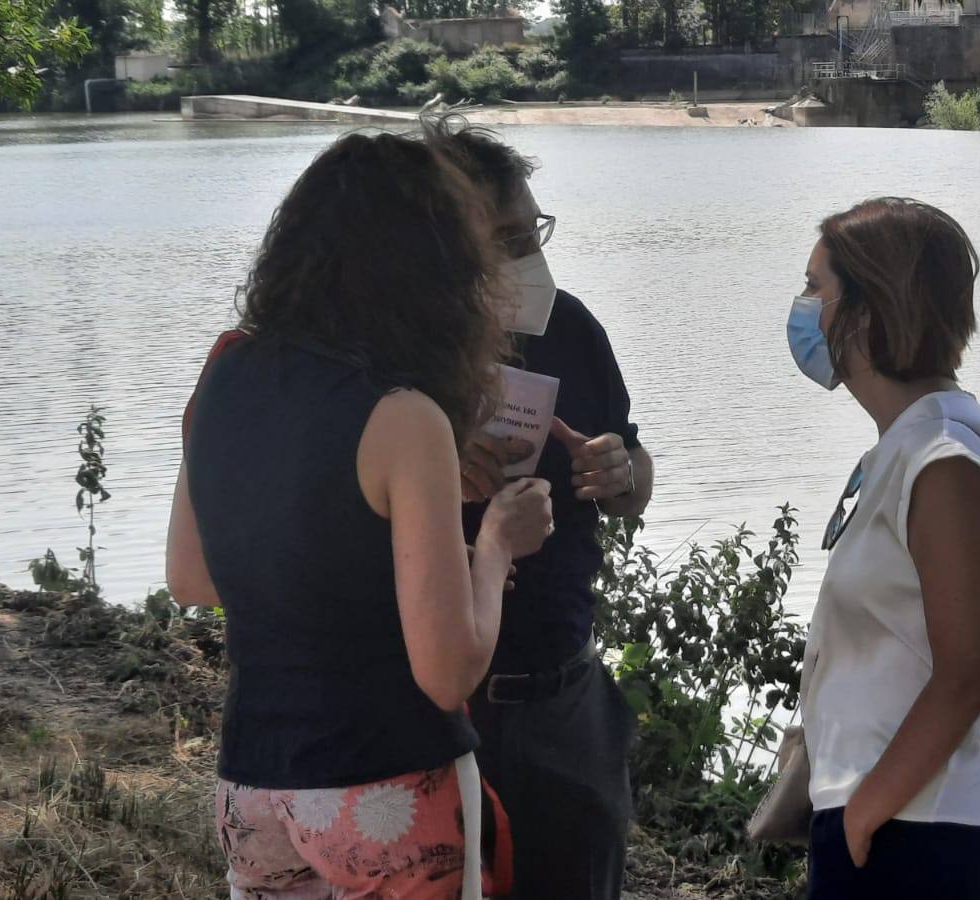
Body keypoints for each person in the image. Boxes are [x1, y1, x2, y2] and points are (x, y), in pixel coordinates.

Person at [165, 130, 553, 899]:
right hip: (385, 788)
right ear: (437, 269)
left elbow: (191, 577)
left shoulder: (226, 371)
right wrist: (497, 547)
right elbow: (448, 674)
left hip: (254, 786)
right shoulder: (405, 416)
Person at [788, 197, 980, 900]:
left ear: (867, 311)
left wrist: (865, 814)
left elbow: (965, 677)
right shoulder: (916, 437)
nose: (804, 308)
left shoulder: (944, 462)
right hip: (903, 808)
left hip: (918, 822)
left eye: (815, 288)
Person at [441, 128, 655, 900]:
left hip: (563, 695)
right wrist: (437, 464)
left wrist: (620, 471)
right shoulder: (396, 356)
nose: (528, 253)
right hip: (435, 709)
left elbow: (635, 477)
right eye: (505, 239)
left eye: (533, 231)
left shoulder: (572, 327)